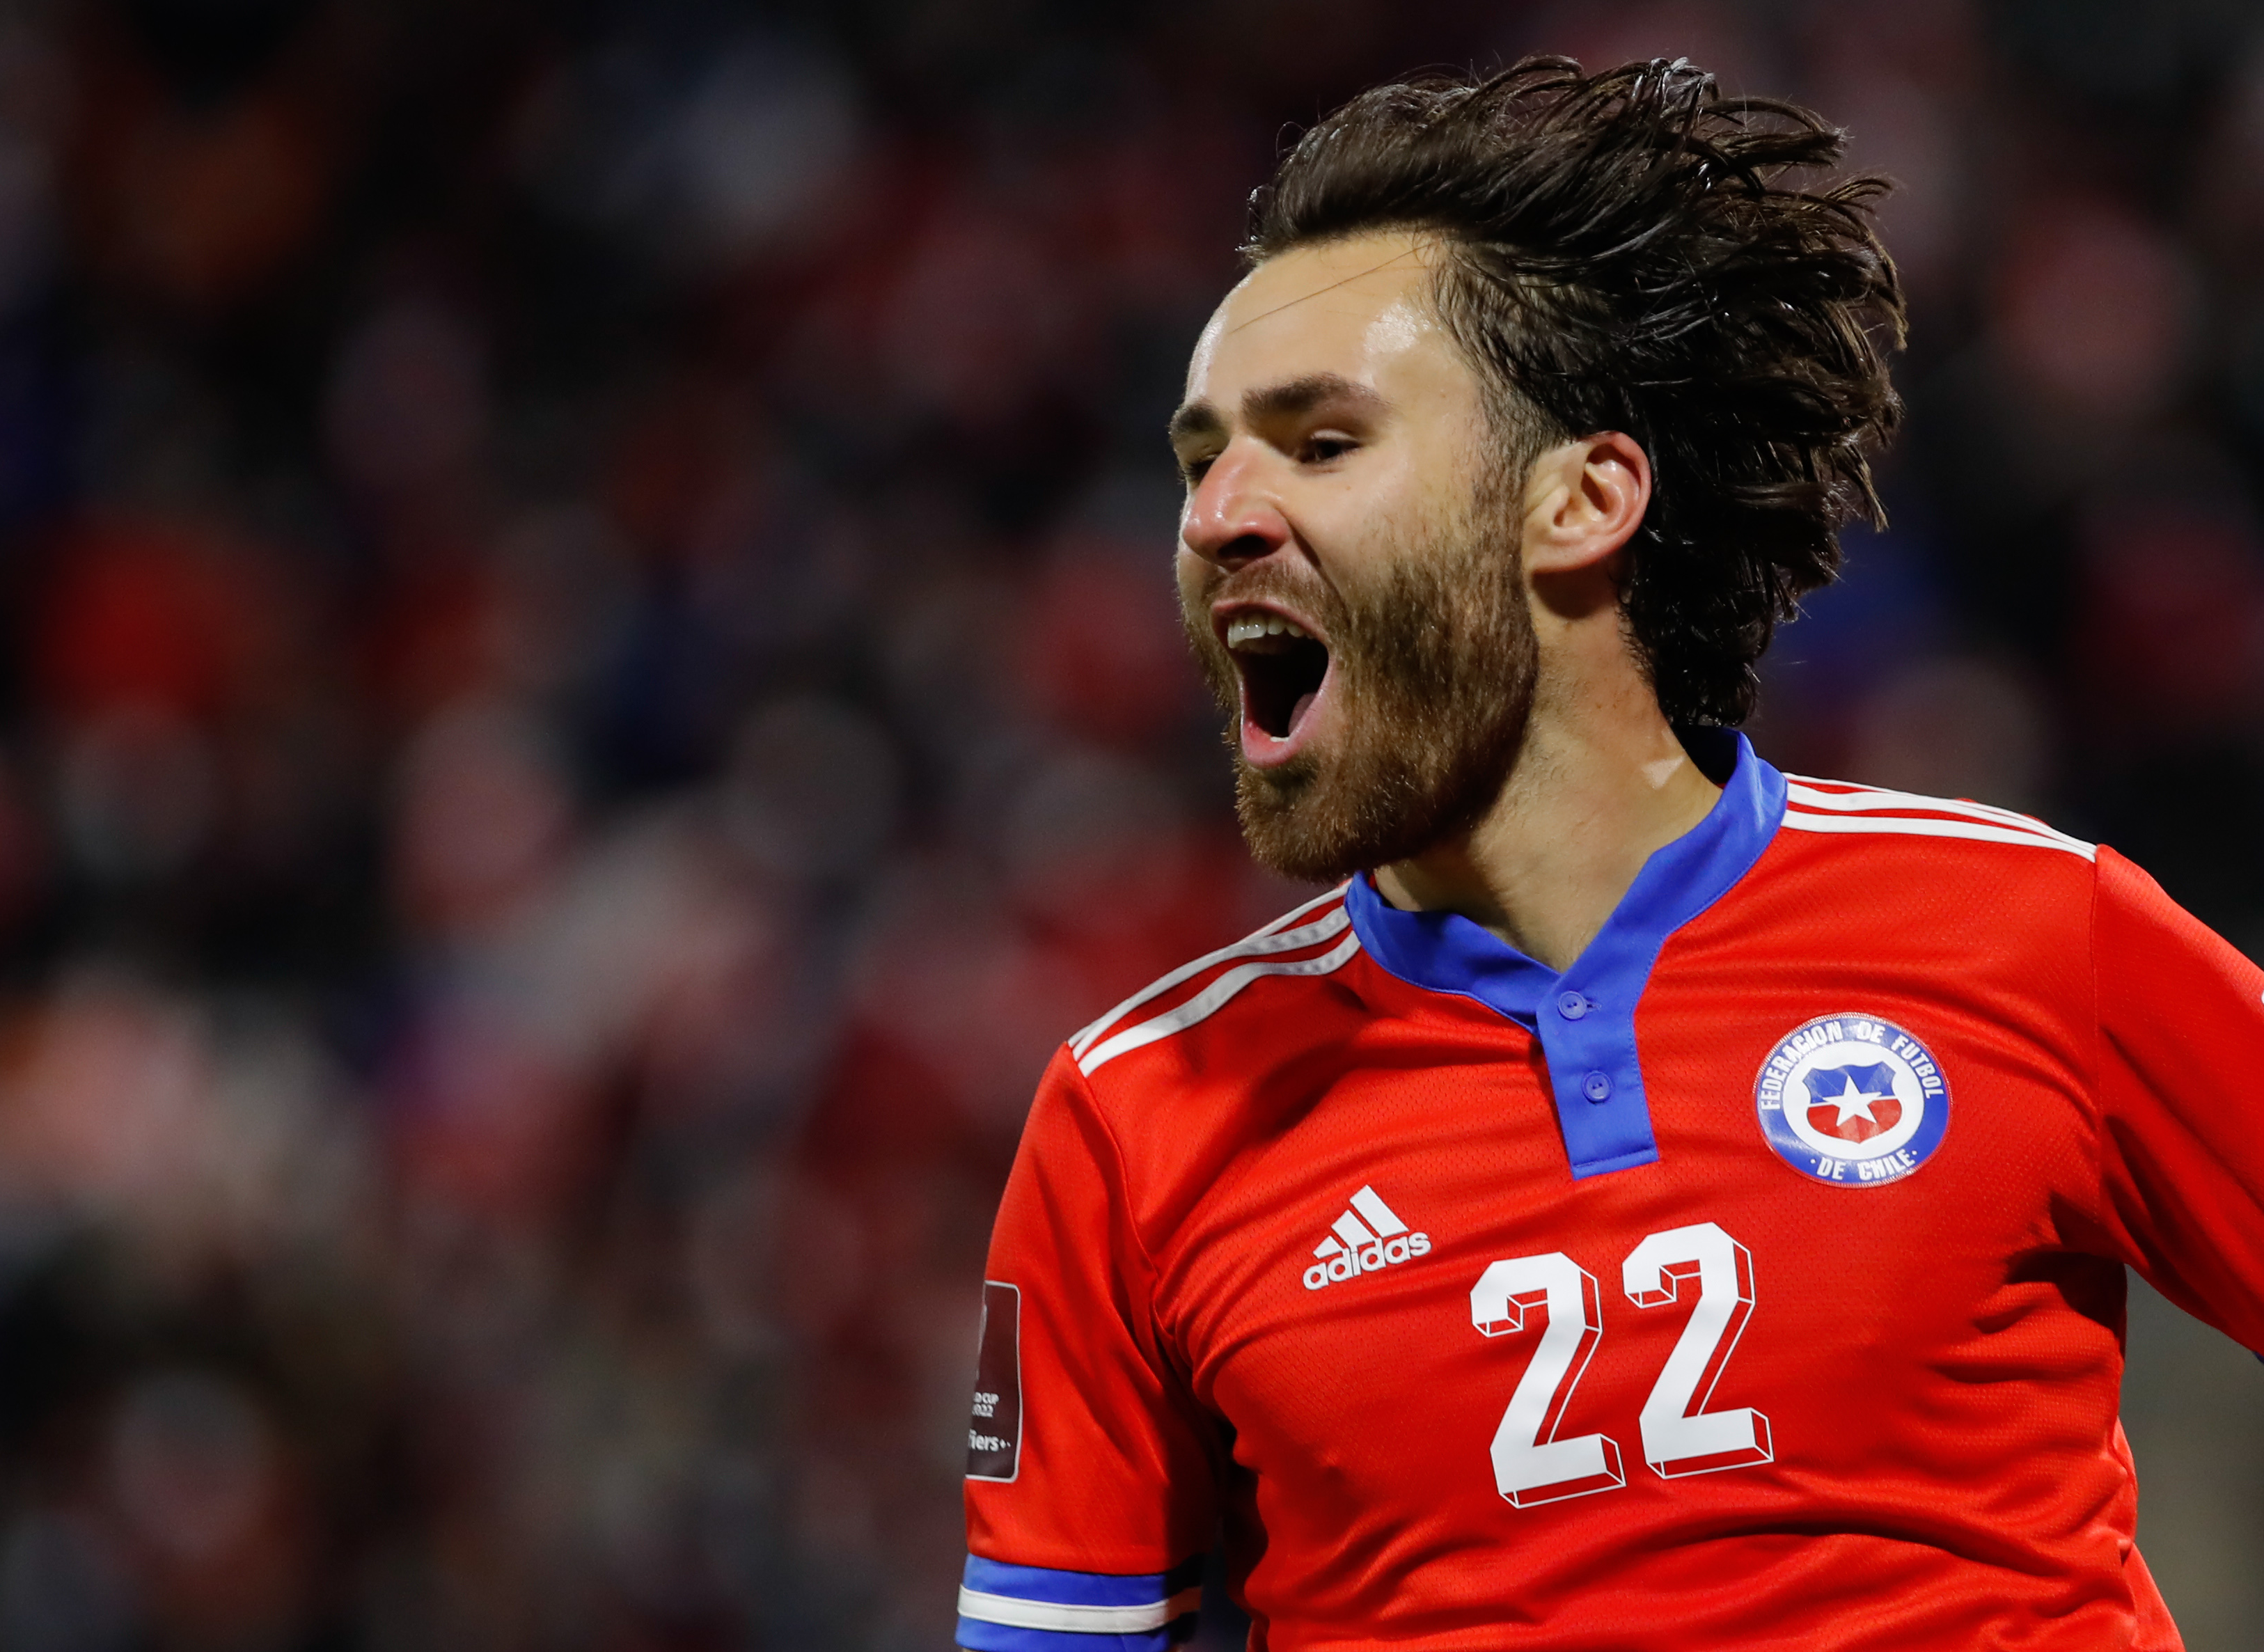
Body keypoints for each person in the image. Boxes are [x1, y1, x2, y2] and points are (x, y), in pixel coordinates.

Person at [953, 56, 2264, 1652]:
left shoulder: (2035, 933)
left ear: (1579, 501)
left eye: (1319, 441)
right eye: (1199, 456)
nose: (1220, 510)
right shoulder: (1135, 1117)